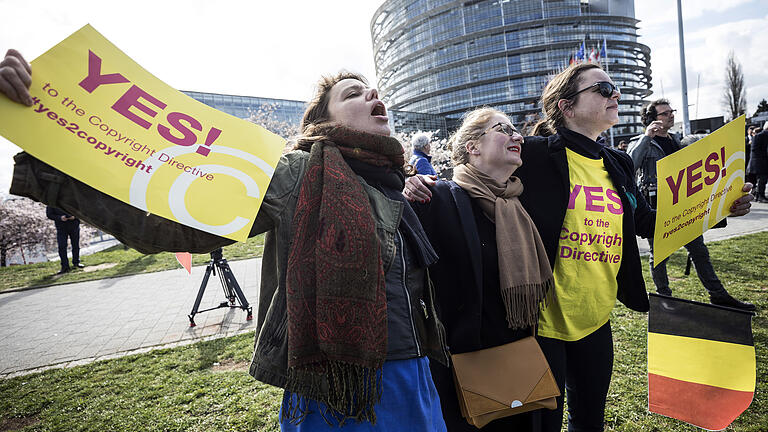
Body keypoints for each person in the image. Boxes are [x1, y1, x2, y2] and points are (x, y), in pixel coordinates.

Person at [1, 50, 450, 431]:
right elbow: (180, 223)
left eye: (371, 89)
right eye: (352, 93)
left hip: (414, 372)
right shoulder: (300, 172)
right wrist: (48, 155)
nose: (373, 94)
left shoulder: (393, 181)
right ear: (322, 123)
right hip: (335, 386)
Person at [406, 62, 753, 432]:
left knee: (590, 421)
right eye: (602, 89)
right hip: (541, 322)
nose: (614, 94)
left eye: (614, 88)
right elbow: (481, 177)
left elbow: (646, 221)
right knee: (544, 426)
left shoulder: (616, 162)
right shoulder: (536, 154)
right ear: (567, 107)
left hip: (595, 318)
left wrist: (718, 207)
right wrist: (423, 183)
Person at [404, 107, 553, 431]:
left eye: (516, 131)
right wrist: (407, 188)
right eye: (503, 130)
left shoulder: (518, 203)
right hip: (466, 373)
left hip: (521, 363)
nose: (517, 136)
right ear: (472, 147)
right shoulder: (437, 197)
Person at [627, 99, 755, 311]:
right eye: (664, 113)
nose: (670, 115)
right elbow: (629, 165)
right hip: (656, 206)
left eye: (671, 111)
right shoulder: (642, 141)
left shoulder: (680, 141)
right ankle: (664, 299)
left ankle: (718, 295)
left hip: (684, 204)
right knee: (659, 254)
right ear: (652, 119)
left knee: (699, 250)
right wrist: (646, 136)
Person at [46, 206, 83, 274]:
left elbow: (80, 209)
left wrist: (75, 216)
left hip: (74, 225)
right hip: (61, 227)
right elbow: (49, 214)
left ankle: (76, 263)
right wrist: (60, 218)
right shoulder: (52, 201)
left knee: (75, 245)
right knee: (62, 246)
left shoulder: (72, 197)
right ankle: (65, 267)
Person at [747, 122, 768, 203]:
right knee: (762, 180)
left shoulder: (759, 136)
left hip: (758, 162)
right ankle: (760, 196)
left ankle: (759, 196)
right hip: (760, 163)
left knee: (761, 180)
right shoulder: (763, 135)